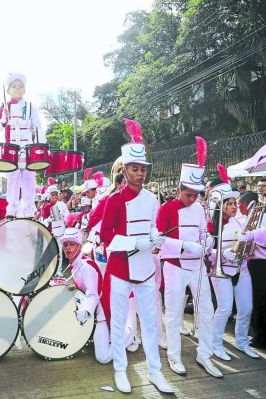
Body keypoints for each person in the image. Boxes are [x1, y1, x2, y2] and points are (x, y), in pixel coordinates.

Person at [100, 119, 173, 394]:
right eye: (135, 169)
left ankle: (155, 371)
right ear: (124, 170)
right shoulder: (113, 201)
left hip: (146, 270)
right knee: (119, 324)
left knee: (151, 323)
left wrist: (156, 236)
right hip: (120, 271)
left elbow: (153, 224)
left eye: (143, 169)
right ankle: (120, 369)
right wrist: (140, 241)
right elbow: (106, 237)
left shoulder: (152, 198)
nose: (140, 174)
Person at [156, 137, 222, 379]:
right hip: (174, 266)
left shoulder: (200, 207)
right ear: (178, 190)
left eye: (196, 195)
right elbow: (159, 239)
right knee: (173, 313)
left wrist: (208, 242)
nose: (192, 199)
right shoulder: (166, 209)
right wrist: (186, 245)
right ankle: (174, 355)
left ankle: (205, 354)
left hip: (198, 267)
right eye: (188, 194)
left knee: (207, 310)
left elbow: (205, 231)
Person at [60, 227, 135, 364]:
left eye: (72, 244)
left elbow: (93, 295)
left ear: (80, 246)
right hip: (91, 312)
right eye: (65, 245)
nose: (68, 248)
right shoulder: (75, 264)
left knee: (103, 357)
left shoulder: (86, 266)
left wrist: (85, 310)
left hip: (101, 313)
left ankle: (129, 335)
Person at [209, 175, 260, 361]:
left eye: (234, 203)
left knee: (246, 308)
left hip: (241, 269)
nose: (233, 206)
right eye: (229, 203)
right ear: (220, 205)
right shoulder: (211, 225)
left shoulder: (240, 222)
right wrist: (222, 254)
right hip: (221, 272)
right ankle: (215, 344)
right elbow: (206, 251)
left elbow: (251, 245)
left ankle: (242, 341)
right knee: (224, 309)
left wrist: (250, 242)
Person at [0, 73, 45, 219]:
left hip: (28, 148)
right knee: (12, 178)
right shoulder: (4, 106)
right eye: (14, 86)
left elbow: (38, 127)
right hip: (11, 149)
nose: (18, 88)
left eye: (20, 86)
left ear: (25, 90)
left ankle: (28, 209)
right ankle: (11, 209)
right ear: (8, 90)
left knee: (29, 178)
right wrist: (4, 118)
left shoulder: (30, 106)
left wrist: (41, 147)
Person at [237, 191, 266, 350]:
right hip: (265, 263)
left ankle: (263, 338)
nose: (238, 207)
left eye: (240, 204)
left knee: (260, 302)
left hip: (262, 263)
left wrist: (248, 236)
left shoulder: (262, 218)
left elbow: (263, 237)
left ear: (248, 204)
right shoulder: (261, 217)